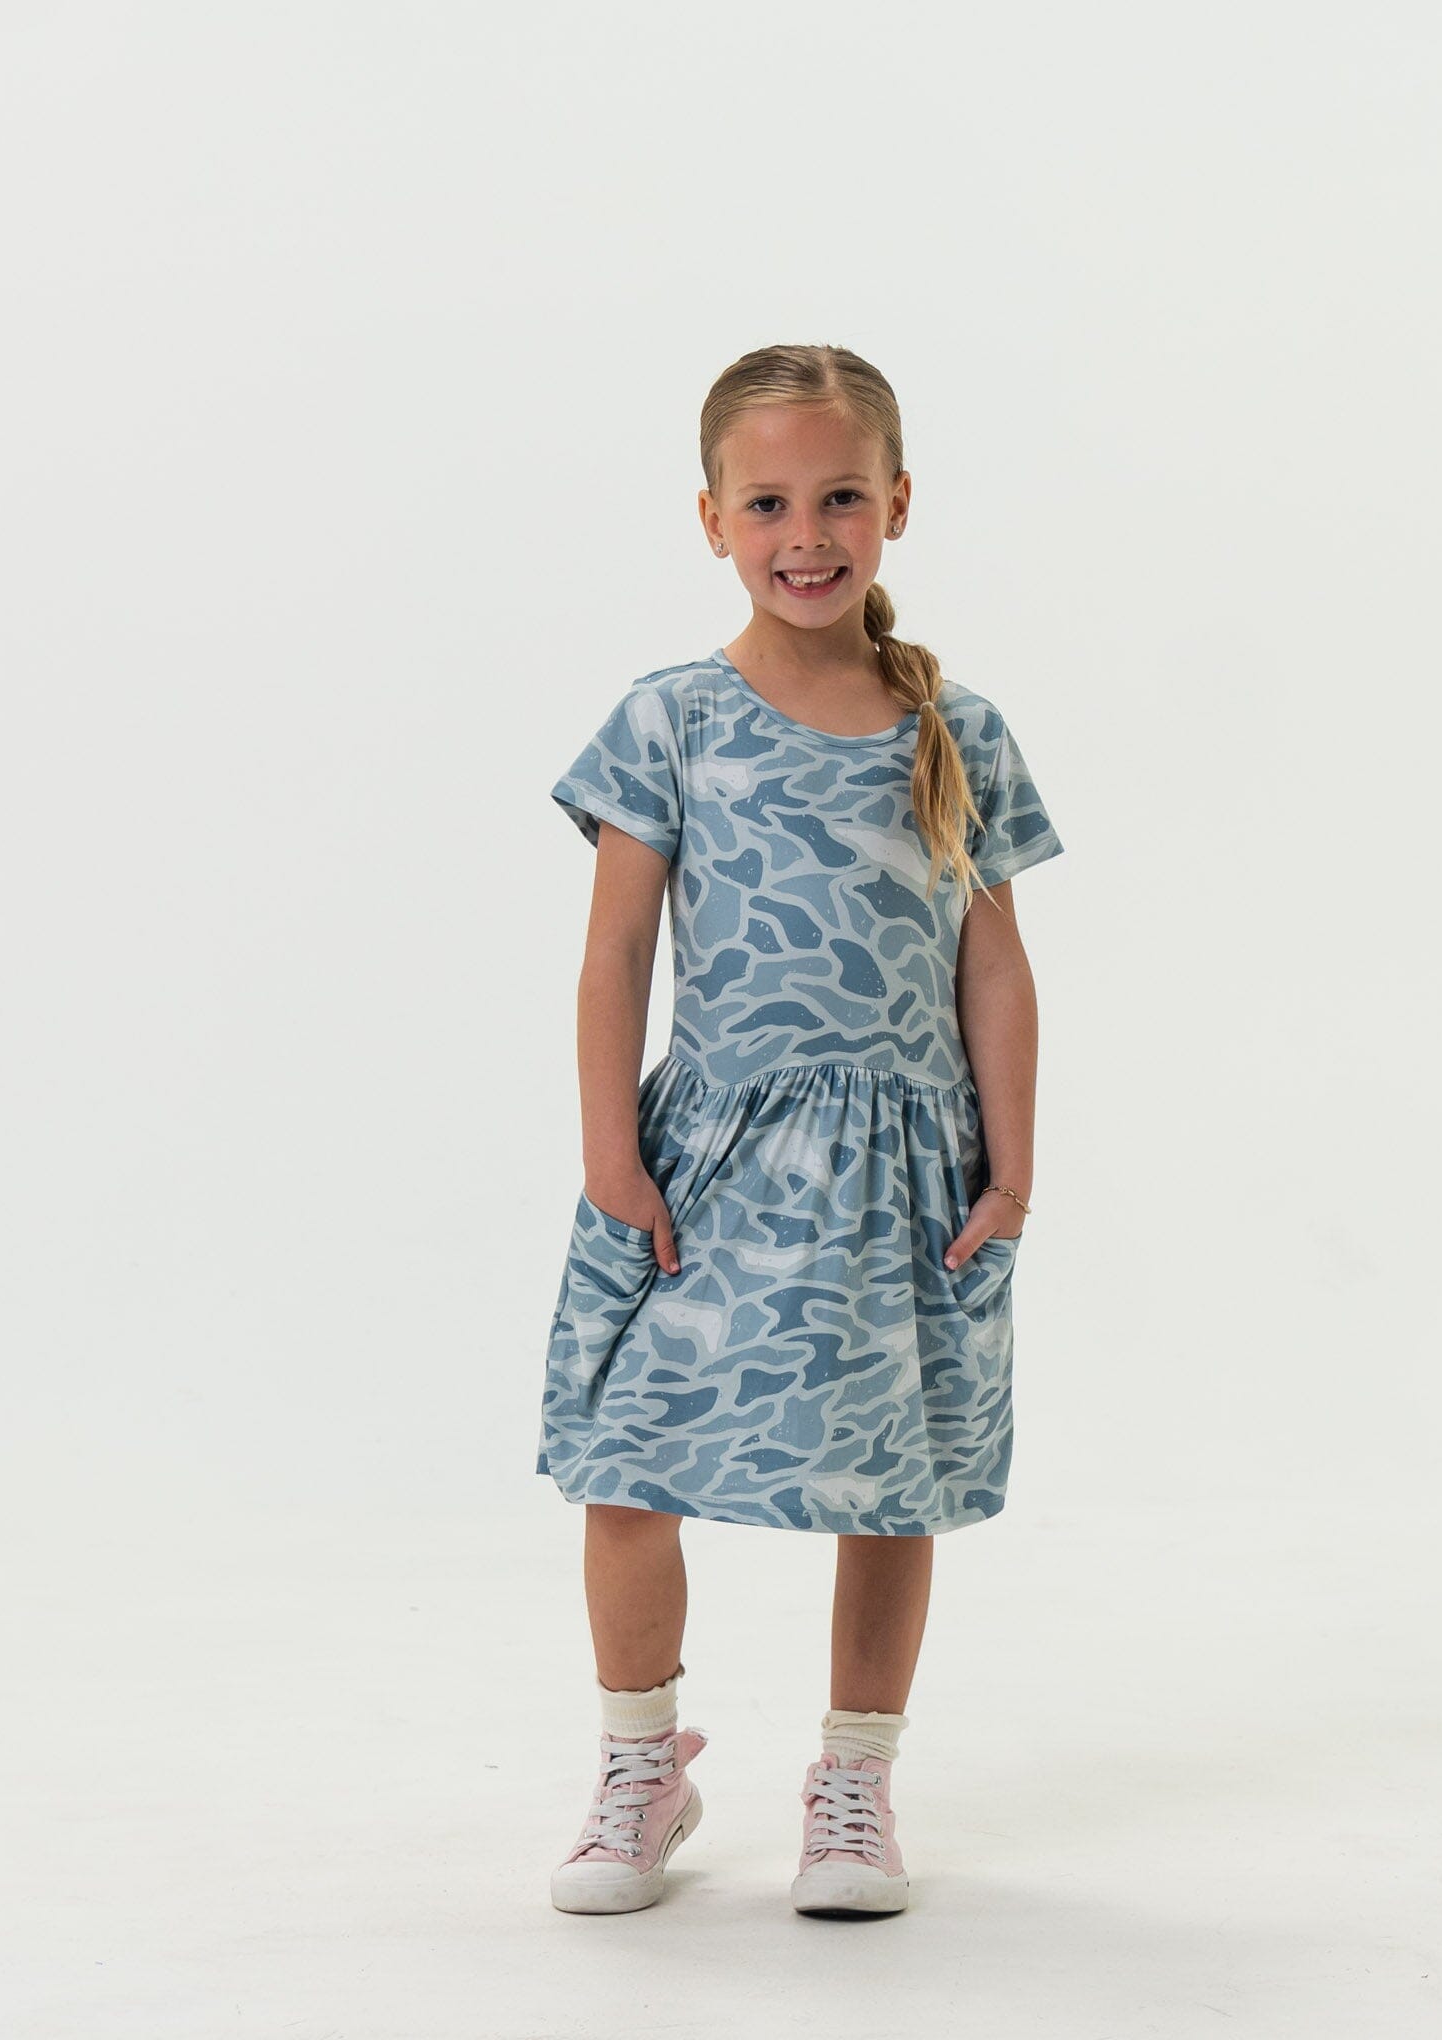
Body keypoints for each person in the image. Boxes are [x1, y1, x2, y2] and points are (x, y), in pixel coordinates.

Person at [538, 343, 1065, 1918]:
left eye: (841, 497)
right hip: (706, 1165)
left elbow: (994, 963)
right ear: (712, 518)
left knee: (891, 1481)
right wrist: (612, 1160)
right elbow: (616, 956)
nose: (807, 534)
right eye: (767, 503)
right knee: (629, 1461)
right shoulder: (670, 721)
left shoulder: (953, 728)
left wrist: (1012, 1170)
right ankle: (643, 1765)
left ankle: (854, 1784)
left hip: (900, 1174)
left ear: (897, 503)